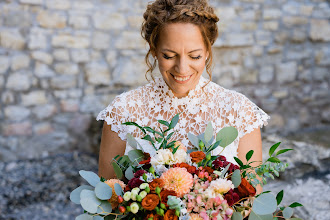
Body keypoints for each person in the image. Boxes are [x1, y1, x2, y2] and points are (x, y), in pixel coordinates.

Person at [97, 0, 269, 193]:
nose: (182, 69)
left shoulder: (240, 111)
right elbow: (105, 200)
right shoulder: (123, 111)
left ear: (207, 51)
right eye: (169, 56)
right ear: (154, 50)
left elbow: (251, 199)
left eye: (194, 56)